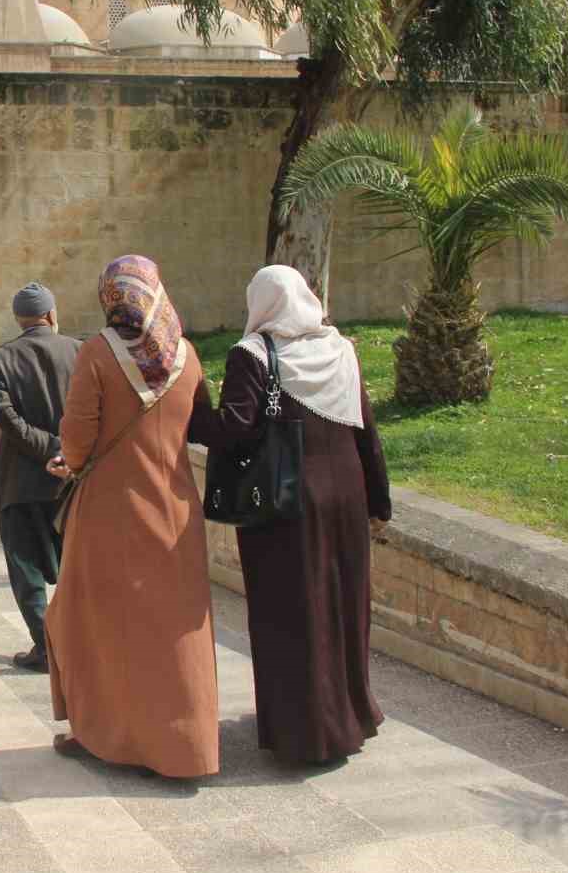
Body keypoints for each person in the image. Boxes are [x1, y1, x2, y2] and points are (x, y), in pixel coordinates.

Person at [192, 265, 392, 765]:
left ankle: (308, 734)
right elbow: (366, 431)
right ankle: (352, 715)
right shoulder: (340, 349)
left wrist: (194, 411)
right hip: (345, 498)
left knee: (293, 614)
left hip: (287, 507)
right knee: (342, 606)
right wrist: (379, 503)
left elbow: (235, 428)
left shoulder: (253, 355)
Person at [43, 255, 219, 777]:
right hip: (176, 508)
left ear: (109, 296)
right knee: (174, 627)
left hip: (111, 509)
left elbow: (77, 437)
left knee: (94, 620)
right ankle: (186, 745)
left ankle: (107, 733)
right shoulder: (186, 356)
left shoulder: (98, 353)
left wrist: (67, 463)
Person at [0, 282, 81, 673]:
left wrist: (47, 447)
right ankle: (76, 641)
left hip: (20, 479)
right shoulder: (80, 351)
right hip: (72, 478)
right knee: (75, 564)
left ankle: (46, 646)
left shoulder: (0, 358)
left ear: (18, 318)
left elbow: (7, 419)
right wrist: (64, 448)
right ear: (52, 315)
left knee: (25, 566)